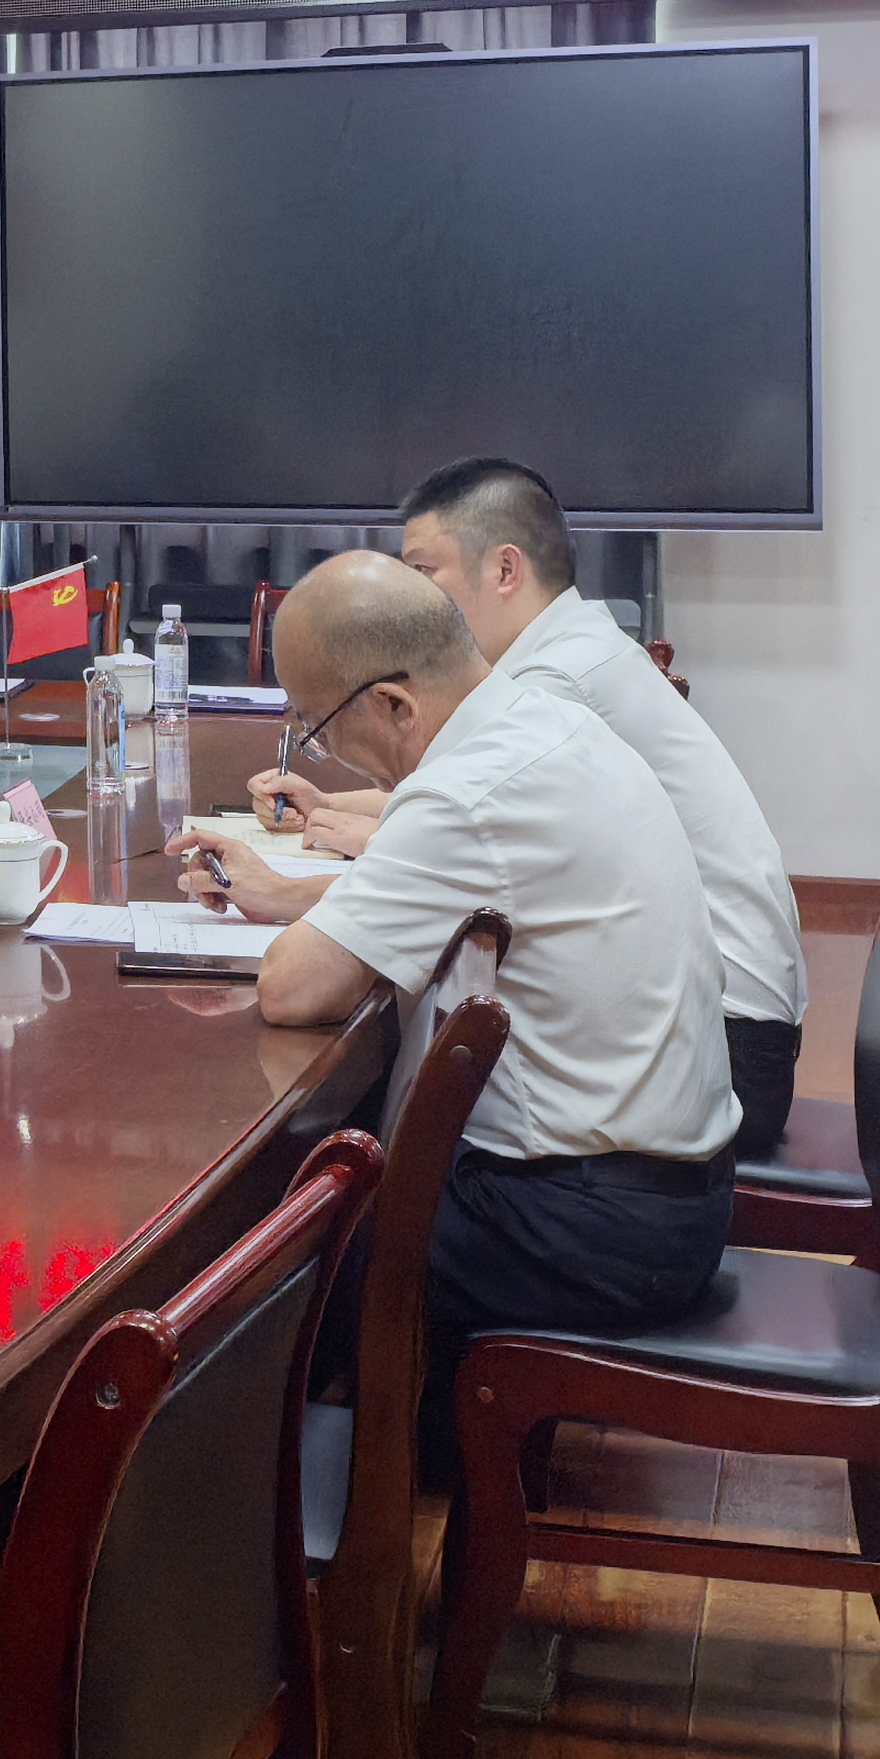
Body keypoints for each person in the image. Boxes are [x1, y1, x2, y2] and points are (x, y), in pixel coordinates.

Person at [176, 554, 739, 1370]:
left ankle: (353, 1446)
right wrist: (296, 897)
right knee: (323, 1192)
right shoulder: (542, 722)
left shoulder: (468, 790)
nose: (324, 754)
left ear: (393, 704)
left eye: (317, 729)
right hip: (664, 1192)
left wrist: (308, 913)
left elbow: (295, 989)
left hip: (594, 1226)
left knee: (259, 1286)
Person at [259, 458, 812, 1156]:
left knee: (346, 1156)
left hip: (725, 1054)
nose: (416, 597)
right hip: (689, 1063)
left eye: (423, 572)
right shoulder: (556, 686)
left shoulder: (552, 684)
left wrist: (294, 888)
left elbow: (301, 982)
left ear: (505, 569)